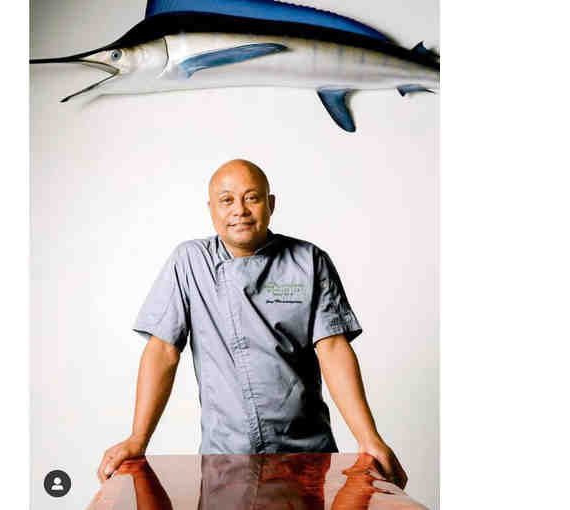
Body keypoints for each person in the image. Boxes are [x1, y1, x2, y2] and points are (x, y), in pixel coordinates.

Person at [97, 159, 407, 489]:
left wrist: (368, 438)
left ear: (270, 204)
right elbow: (162, 351)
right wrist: (138, 438)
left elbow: (332, 348)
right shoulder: (189, 262)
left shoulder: (309, 261)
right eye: (227, 200)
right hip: (225, 459)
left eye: (252, 198)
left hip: (308, 456)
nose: (240, 210)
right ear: (211, 209)